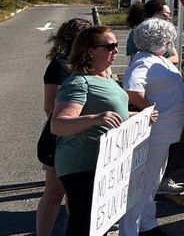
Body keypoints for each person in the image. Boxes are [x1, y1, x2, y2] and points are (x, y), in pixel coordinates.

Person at [50, 27, 132, 236]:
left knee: (98, 223)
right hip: (81, 164)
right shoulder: (79, 82)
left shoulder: (105, 78)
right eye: (109, 46)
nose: (116, 50)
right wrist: (95, 119)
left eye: (116, 45)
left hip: (103, 163)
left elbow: (114, 114)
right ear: (90, 51)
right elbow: (58, 124)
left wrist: (141, 117)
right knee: (83, 223)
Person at [119, 18, 184, 236]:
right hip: (154, 132)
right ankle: (130, 230)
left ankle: (147, 223)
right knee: (143, 183)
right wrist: (149, 107)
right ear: (161, 41)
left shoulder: (156, 59)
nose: (169, 45)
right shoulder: (144, 61)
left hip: (163, 132)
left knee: (152, 181)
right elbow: (132, 89)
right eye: (168, 40)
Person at [36, 18, 91, 236]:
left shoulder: (83, 65)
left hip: (79, 136)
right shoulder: (60, 66)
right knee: (54, 193)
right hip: (60, 138)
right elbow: (50, 107)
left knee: (74, 195)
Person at [126, 0, 178, 65]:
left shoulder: (166, 34)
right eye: (167, 14)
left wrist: (157, 63)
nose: (170, 17)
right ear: (156, 15)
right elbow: (136, 60)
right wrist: (159, 63)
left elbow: (175, 58)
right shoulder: (138, 33)